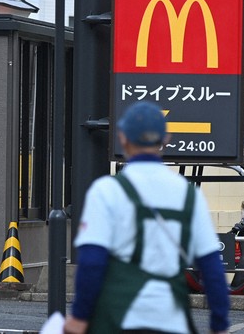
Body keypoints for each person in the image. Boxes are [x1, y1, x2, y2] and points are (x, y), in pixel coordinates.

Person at [64, 101, 230, 334]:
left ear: (122, 137)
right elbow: (212, 267)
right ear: (167, 138)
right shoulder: (188, 194)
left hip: (116, 320)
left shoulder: (106, 191)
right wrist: (219, 324)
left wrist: (80, 317)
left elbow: (92, 262)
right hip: (173, 323)